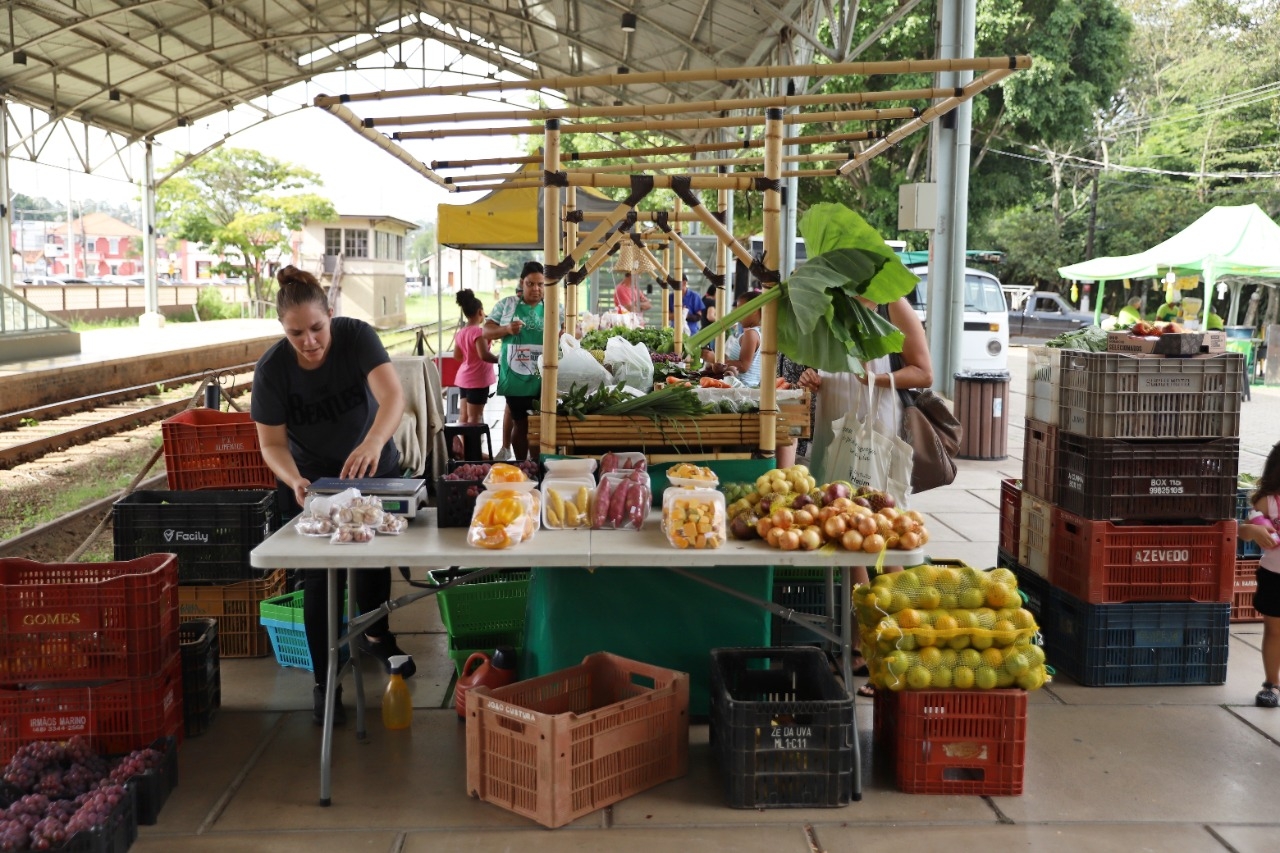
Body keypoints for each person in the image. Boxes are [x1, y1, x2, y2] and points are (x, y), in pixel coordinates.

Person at [251, 265, 412, 726]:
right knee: (321, 579)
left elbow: (393, 397)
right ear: (283, 330)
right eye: (295, 333)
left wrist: (374, 442)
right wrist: (294, 480)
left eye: (317, 328)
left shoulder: (357, 337)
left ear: (331, 315)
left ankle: (377, 636)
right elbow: (272, 444)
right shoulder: (273, 371)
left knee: (374, 561)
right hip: (314, 484)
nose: (309, 341)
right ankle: (326, 680)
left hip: (374, 467)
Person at [796, 294, 933, 695]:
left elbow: (923, 373)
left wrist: (875, 379)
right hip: (835, 428)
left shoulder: (893, 308)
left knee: (887, 541)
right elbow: (828, 366)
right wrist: (815, 377)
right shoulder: (830, 305)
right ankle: (862, 646)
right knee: (847, 538)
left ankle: (897, 656)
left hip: (876, 432)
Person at [485, 261, 550, 462]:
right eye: (531, 284)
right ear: (522, 283)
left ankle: (537, 466)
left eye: (541, 284)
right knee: (521, 423)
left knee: (541, 424)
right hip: (515, 377)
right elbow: (486, 331)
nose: (536, 289)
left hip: (544, 376)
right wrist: (506, 330)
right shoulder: (506, 305)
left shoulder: (554, 307)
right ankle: (522, 465)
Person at [1245, 443, 1280, 708]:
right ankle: (1271, 684)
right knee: (1274, 631)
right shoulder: (1267, 501)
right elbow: (1245, 530)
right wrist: (1253, 532)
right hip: (1274, 575)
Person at [452, 289, 498, 457]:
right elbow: (484, 355)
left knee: (463, 417)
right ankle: (475, 454)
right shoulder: (479, 332)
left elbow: (457, 356)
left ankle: (466, 451)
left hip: (463, 378)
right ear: (480, 312)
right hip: (478, 379)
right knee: (475, 418)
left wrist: (468, 355)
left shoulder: (461, 332)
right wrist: (500, 360)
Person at [704, 289, 762, 387]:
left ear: (754, 311)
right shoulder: (760, 333)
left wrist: (715, 359)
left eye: (740, 310)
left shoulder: (751, 334)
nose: (737, 315)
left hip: (742, 387)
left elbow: (743, 366)